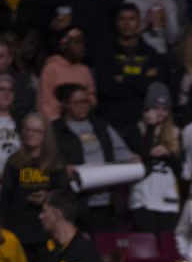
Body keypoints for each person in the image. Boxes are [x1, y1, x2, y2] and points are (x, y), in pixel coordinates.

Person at [53, 82, 135, 231]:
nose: (83, 106)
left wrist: (132, 159)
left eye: (86, 101)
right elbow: (45, 163)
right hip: (73, 201)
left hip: (105, 201)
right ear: (65, 104)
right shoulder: (56, 130)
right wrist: (62, 169)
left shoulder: (100, 125)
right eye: (77, 103)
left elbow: (121, 151)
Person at [0, 114, 67, 261]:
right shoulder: (14, 162)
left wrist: (48, 197)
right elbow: (4, 199)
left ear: (45, 135)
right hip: (18, 231)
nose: (30, 134)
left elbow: (65, 195)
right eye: (27, 130)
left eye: (36, 131)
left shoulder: (56, 162)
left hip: (47, 232)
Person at [94, 3, 168, 131]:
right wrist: (142, 79)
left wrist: (124, 79)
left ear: (139, 22)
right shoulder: (105, 52)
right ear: (116, 23)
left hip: (143, 121)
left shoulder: (151, 53)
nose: (127, 24)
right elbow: (107, 88)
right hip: (112, 120)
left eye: (131, 19)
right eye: (122, 19)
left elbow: (156, 86)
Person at [128, 83, 183, 233]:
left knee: (167, 242)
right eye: (156, 108)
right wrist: (151, 127)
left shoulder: (176, 132)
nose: (160, 113)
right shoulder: (136, 130)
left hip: (167, 196)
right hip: (142, 195)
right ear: (147, 108)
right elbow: (143, 156)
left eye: (165, 109)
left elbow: (181, 169)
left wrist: (169, 155)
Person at [37, 28, 97, 122]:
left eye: (82, 43)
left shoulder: (84, 70)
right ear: (64, 45)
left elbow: (91, 97)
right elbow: (46, 102)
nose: (81, 47)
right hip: (58, 125)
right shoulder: (51, 69)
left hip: (84, 121)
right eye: (77, 43)